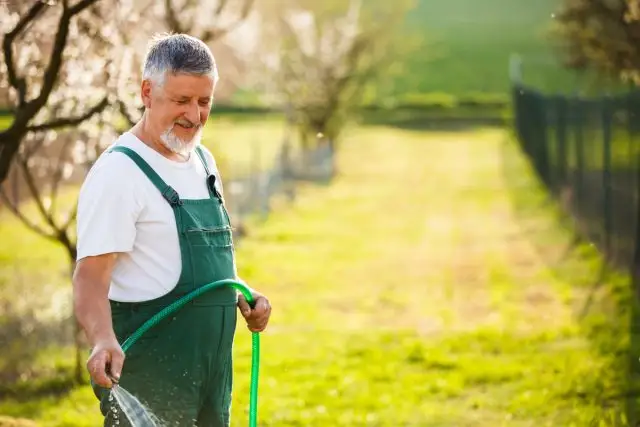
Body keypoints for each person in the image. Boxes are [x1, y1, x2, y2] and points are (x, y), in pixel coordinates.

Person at [72, 33, 272, 427]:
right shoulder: (120, 173)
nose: (195, 116)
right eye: (182, 100)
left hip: (212, 376)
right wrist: (101, 339)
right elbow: (90, 276)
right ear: (148, 92)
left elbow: (185, 262)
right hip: (152, 375)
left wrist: (239, 291)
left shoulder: (202, 161)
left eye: (204, 101)